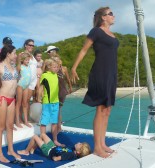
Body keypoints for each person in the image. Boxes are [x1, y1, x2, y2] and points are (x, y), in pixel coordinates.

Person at [71, 7, 119, 158]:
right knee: (100, 109)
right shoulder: (96, 31)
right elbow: (84, 50)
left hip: (112, 74)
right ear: (103, 17)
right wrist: (74, 68)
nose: (113, 15)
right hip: (100, 73)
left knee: (107, 110)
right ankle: (97, 147)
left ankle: (103, 143)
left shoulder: (113, 35)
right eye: (110, 13)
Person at [0, 45, 21, 163]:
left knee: (10, 126)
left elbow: (15, 81)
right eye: (14, 53)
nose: (16, 55)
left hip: (12, 99)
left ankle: (10, 150)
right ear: (8, 53)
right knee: (1, 127)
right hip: (2, 99)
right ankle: (0, 154)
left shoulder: (13, 66)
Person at [39, 59, 64, 147]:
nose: (56, 68)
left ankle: (55, 140)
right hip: (47, 103)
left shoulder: (56, 75)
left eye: (57, 67)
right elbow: (41, 88)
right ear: (49, 67)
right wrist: (39, 97)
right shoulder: (45, 75)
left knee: (54, 122)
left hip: (55, 102)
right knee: (44, 122)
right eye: (54, 67)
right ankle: (42, 139)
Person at [17, 133, 91, 161]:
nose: (79, 143)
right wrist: (62, 146)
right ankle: (33, 149)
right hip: (53, 147)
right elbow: (65, 150)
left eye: (80, 144)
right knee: (42, 134)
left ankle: (26, 151)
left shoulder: (71, 154)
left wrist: (56, 158)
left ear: (78, 152)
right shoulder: (74, 150)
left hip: (49, 151)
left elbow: (60, 158)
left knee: (35, 137)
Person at [17, 39, 37, 128]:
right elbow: (17, 67)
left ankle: (25, 119)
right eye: (29, 45)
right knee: (21, 102)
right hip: (23, 83)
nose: (31, 47)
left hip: (32, 81)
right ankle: (19, 119)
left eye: (33, 45)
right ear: (25, 45)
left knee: (27, 101)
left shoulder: (32, 56)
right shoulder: (22, 54)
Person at [51, 56, 72, 133]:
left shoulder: (64, 69)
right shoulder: (53, 69)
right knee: (54, 108)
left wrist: (70, 87)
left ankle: (58, 126)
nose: (58, 61)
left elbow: (68, 78)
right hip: (54, 91)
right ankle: (54, 125)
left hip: (62, 91)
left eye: (59, 60)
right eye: (56, 60)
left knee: (59, 109)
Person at [15, 53, 32, 128]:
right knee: (18, 103)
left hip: (26, 86)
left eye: (28, 60)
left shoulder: (28, 67)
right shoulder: (20, 67)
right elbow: (15, 76)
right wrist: (19, 56)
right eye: (26, 60)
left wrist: (28, 54)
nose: (28, 61)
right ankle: (17, 121)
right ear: (22, 60)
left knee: (25, 104)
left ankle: (25, 121)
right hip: (20, 86)